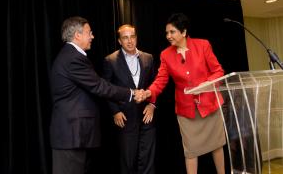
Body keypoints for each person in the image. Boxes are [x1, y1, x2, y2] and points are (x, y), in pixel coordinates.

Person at [50, 16, 146, 174]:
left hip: (74, 135)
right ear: (77, 35)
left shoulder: (72, 56)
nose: (92, 36)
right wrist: (131, 93)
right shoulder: (72, 58)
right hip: (71, 135)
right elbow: (99, 86)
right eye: (89, 32)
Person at [145, 13, 226, 174]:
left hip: (210, 105)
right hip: (186, 110)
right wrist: (149, 92)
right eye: (167, 33)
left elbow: (218, 71)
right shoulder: (166, 55)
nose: (168, 36)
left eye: (172, 32)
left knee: (216, 145)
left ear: (183, 32)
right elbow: (161, 80)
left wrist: (207, 83)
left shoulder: (203, 45)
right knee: (190, 151)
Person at [102, 24, 156, 174]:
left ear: (136, 38)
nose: (130, 41)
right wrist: (115, 112)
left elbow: (155, 85)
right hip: (125, 117)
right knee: (128, 160)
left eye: (132, 37)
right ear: (120, 41)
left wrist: (152, 104)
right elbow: (106, 90)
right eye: (125, 38)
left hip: (147, 117)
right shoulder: (110, 60)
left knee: (147, 160)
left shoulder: (148, 58)